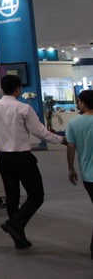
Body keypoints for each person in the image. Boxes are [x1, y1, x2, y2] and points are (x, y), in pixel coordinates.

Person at [0, 75, 65, 248]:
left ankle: (19, 239)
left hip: (3, 157)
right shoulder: (24, 108)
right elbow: (39, 131)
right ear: (18, 88)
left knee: (12, 197)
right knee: (36, 195)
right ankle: (14, 225)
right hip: (22, 157)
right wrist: (60, 140)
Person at [66, 90, 93, 260]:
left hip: (89, 175)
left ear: (83, 103)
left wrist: (70, 168)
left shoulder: (74, 123)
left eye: (78, 101)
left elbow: (70, 147)